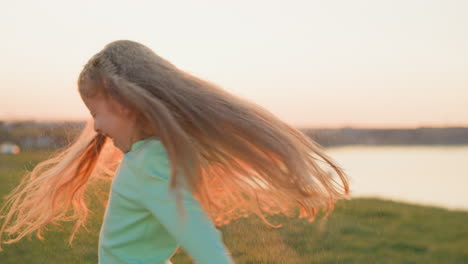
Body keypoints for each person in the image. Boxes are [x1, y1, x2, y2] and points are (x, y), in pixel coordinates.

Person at [0, 40, 350, 263]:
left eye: (96, 113)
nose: (95, 127)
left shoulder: (148, 163)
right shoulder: (148, 157)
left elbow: (196, 233)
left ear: (124, 104)